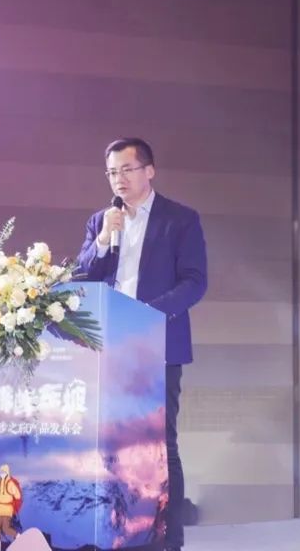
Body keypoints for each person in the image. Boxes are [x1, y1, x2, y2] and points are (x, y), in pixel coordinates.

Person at [76, 137, 208, 551]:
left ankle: (170, 539)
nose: (119, 179)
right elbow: (81, 276)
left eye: (127, 170)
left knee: (161, 443)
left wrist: (148, 316)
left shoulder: (180, 220)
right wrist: (102, 240)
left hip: (157, 343)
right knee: (111, 442)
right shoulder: (101, 221)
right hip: (109, 348)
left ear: (149, 171)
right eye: (112, 172)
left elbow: (194, 281)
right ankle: (119, 533)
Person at [0, 464, 21, 551]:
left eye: (4, 472)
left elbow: (16, 495)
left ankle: (18, 536)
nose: (2, 474)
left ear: (7, 473)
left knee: (5, 529)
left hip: (6, 511)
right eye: (1, 472)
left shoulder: (10, 483)